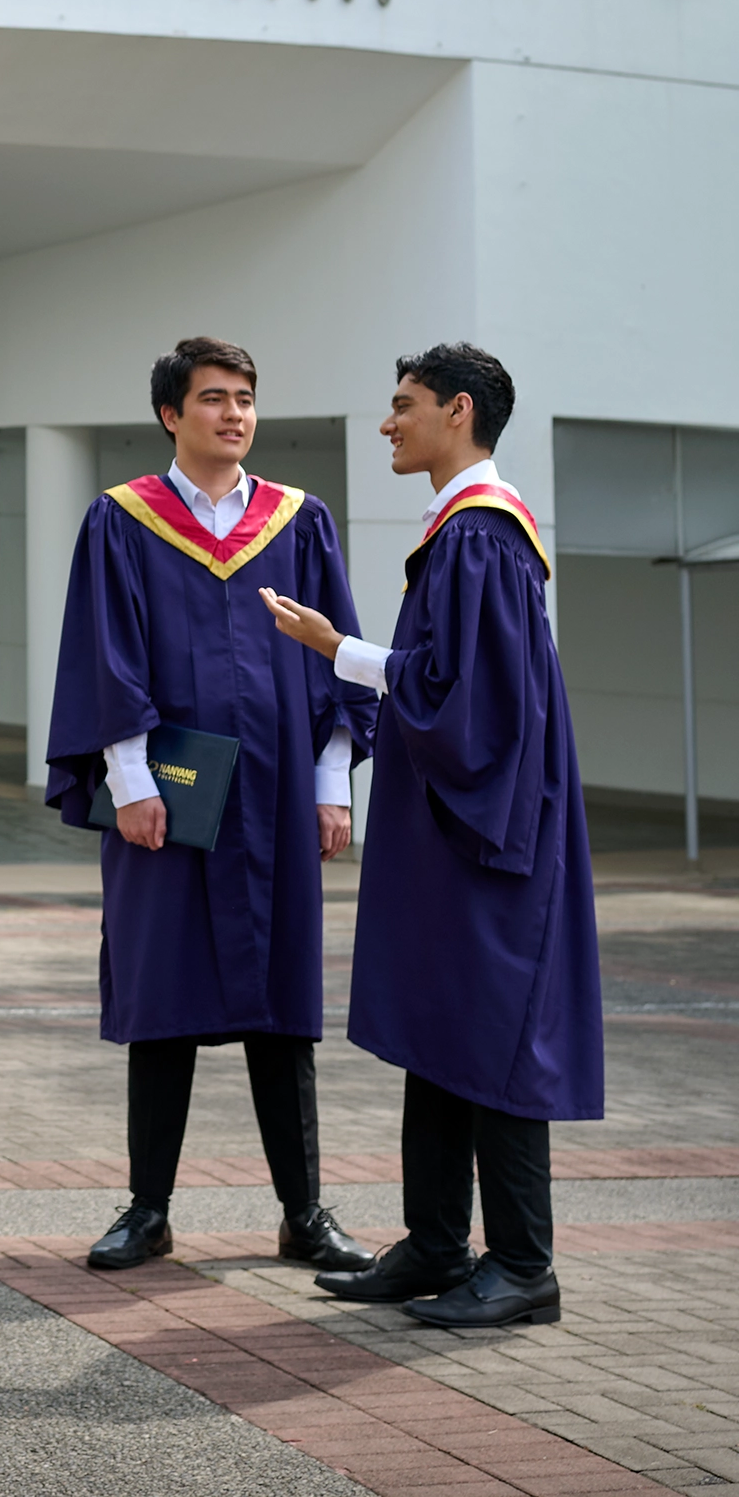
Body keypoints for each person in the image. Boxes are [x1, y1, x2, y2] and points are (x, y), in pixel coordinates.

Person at [263, 342, 605, 1331]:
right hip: (459, 832)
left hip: (489, 839)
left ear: (459, 411)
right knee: (444, 1029)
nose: (387, 423)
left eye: (404, 405)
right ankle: (438, 1243)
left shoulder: (483, 539)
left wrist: (342, 651)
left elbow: (477, 710)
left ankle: (525, 1264)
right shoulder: (464, 536)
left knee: (493, 1033)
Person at [43, 336, 374, 1276]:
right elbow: (105, 657)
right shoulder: (122, 522)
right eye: (214, 399)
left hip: (273, 798)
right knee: (163, 1001)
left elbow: (333, 659)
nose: (234, 414)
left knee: (284, 1008)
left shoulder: (299, 523)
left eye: (245, 400)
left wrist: (327, 785)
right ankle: (149, 1211)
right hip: (174, 803)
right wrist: (133, 782)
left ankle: (303, 1214)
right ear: (171, 415)